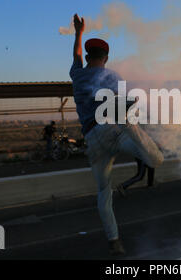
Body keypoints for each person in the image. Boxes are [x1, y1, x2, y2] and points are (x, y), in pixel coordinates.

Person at [69, 14, 164, 255]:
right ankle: (130, 128)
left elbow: (76, 55)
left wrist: (79, 32)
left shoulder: (77, 74)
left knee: (104, 192)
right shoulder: (113, 77)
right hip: (114, 129)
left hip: (93, 138)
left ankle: (114, 240)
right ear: (107, 59)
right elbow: (132, 105)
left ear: (89, 57)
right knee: (156, 159)